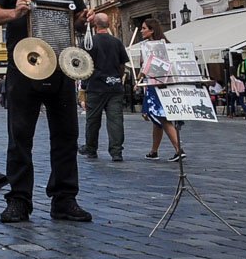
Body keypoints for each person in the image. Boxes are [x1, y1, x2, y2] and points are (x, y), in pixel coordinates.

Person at [0, 0, 93, 224]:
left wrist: (83, 19)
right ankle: (19, 201)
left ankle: (64, 199)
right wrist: (15, 12)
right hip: (24, 69)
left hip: (60, 67)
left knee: (66, 137)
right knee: (19, 138)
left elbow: (75, 17)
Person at [78, 14, 129, 162]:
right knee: (116, 120)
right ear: (108, 25)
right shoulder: (117, 42)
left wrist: (84, 86)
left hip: (96, 86)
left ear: (95, 25)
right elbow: (122, 65)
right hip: (114, 86)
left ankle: (91, 149)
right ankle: (116, 152)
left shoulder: (89, 43)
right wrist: (117, 78)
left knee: (93, 120)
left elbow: (83, 66)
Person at [137, 18, 185, 162]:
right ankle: (154, 151)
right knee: (157, 119)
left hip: (156, 85)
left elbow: (147, 67)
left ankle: (179, 149)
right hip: (166, 85)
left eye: (144, 28)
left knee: (163, 117)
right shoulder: (165, 45)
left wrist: (138, 78)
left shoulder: (150, 47)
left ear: (151, 30)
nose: (141, 30)